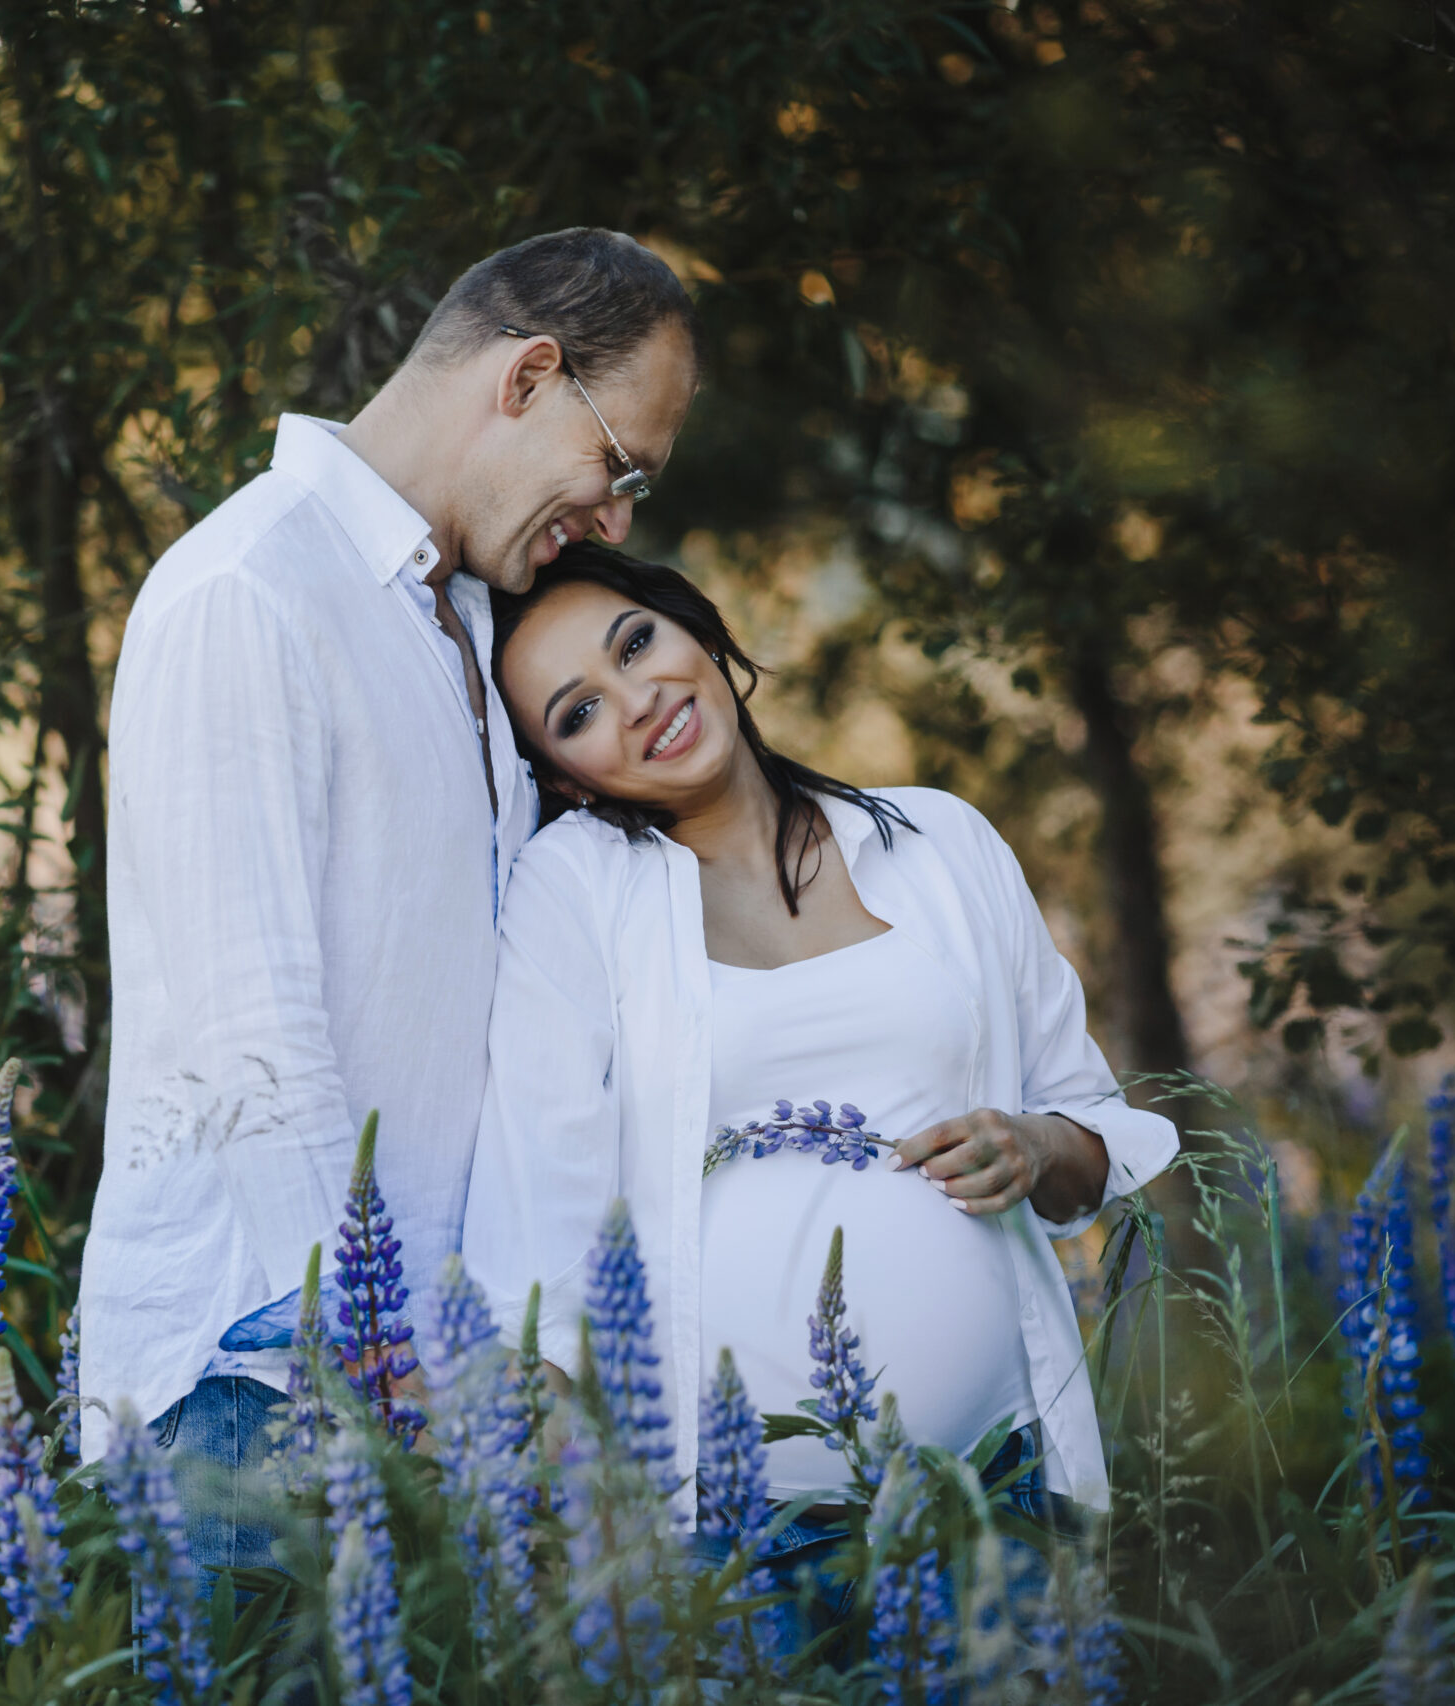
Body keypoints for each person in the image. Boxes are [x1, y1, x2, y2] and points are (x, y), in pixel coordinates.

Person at [78, 231, 701, 1571]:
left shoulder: (477, 626)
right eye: (621, 464)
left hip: (429, 1399)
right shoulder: (252, 588)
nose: (618, 520)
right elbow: (255, 1032)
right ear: (529, 376)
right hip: (256, 1394)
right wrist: (380, 1369)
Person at [463, 545, 1177, 1623]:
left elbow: (1092, 1143)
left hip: (998, 1496)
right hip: (732, 1545)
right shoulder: (575, 896)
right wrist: (583, 1533)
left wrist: (1033, 1141)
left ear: (697, 629)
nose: (639, 698)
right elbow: (535, 1236)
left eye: (636, 641)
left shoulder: (939, 839)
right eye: (577, 712)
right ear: (565, 776)